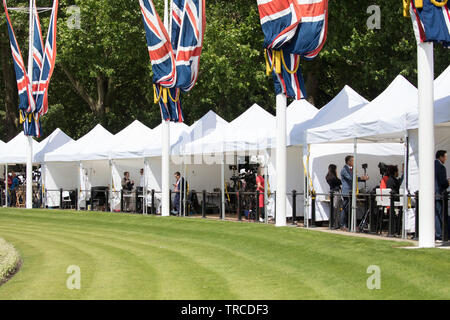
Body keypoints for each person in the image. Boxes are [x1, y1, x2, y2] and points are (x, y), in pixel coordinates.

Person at [340, 156, 369, 231]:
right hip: (347, 192)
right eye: (353, 161)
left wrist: (363, 179)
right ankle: (343, 225)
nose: (354, 162)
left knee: (349, 209)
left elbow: (354, 178)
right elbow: (351, 178)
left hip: (351, 192)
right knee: (345, 209)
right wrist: (362, 178)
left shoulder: (351, 169)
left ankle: (350, 225)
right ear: (348, 162)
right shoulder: (344, 170)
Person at [435, 150, 449, 241]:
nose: (446, 158)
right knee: (440, 215)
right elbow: (443, 182)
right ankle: (440, 235)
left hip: (434, 193)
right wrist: (448, 182)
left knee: (436, 215)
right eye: (445, 157)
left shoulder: (432, 165)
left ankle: (438, 234)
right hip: (439, 194)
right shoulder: (441, 167)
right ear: (440, 157)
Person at [326, 164, 342, 229]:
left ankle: (332, 223)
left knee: (333, 208)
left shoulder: (328, 177)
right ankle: (335, 224)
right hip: (336, 192)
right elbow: (340, 182)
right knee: (336, 208)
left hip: (332, 192)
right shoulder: (333, 178)